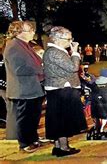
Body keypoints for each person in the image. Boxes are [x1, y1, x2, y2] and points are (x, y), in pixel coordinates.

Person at [43, 26, 86, 157]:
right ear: (58, 39)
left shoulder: (56, 51)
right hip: (61, 89)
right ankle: (63, 147)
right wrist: (75, 53)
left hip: (59, 89)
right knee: (62, 119)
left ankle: (58, 147)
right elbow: (73, 67)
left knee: (58, 119)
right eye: (68, 39)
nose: (70, 41)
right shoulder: (55, 52)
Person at [4, 21, 44, 153]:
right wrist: (41, 69)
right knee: (25, 118)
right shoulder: (13, 47)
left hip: (33, 88)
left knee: (33, 117)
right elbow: (19, 69)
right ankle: (25, 143)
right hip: (23, 89)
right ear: (19, 32)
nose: (33, 32)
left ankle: (33, 139)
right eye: (30, 30)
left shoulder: (25, 45)